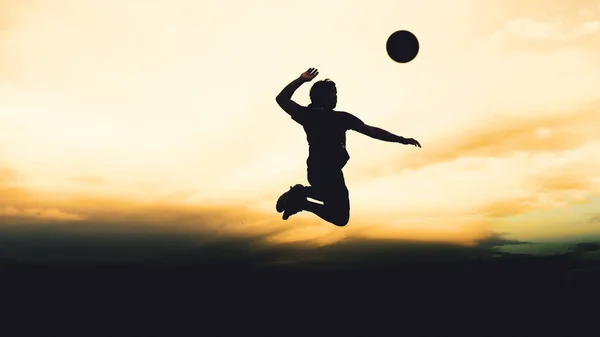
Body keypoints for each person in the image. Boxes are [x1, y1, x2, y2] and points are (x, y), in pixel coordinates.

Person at [275, 67, 421, 227]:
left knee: (336, 211)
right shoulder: (336, 117)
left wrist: (301, 80)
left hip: (318, 171)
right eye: (333, 93)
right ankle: (300, 196)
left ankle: (299, 197)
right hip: (328, 172)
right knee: (340, 216)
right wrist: (401, 140)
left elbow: (282, 99)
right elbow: (373, 132)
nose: (336, 96)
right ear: (324, 96)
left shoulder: (310, 115)